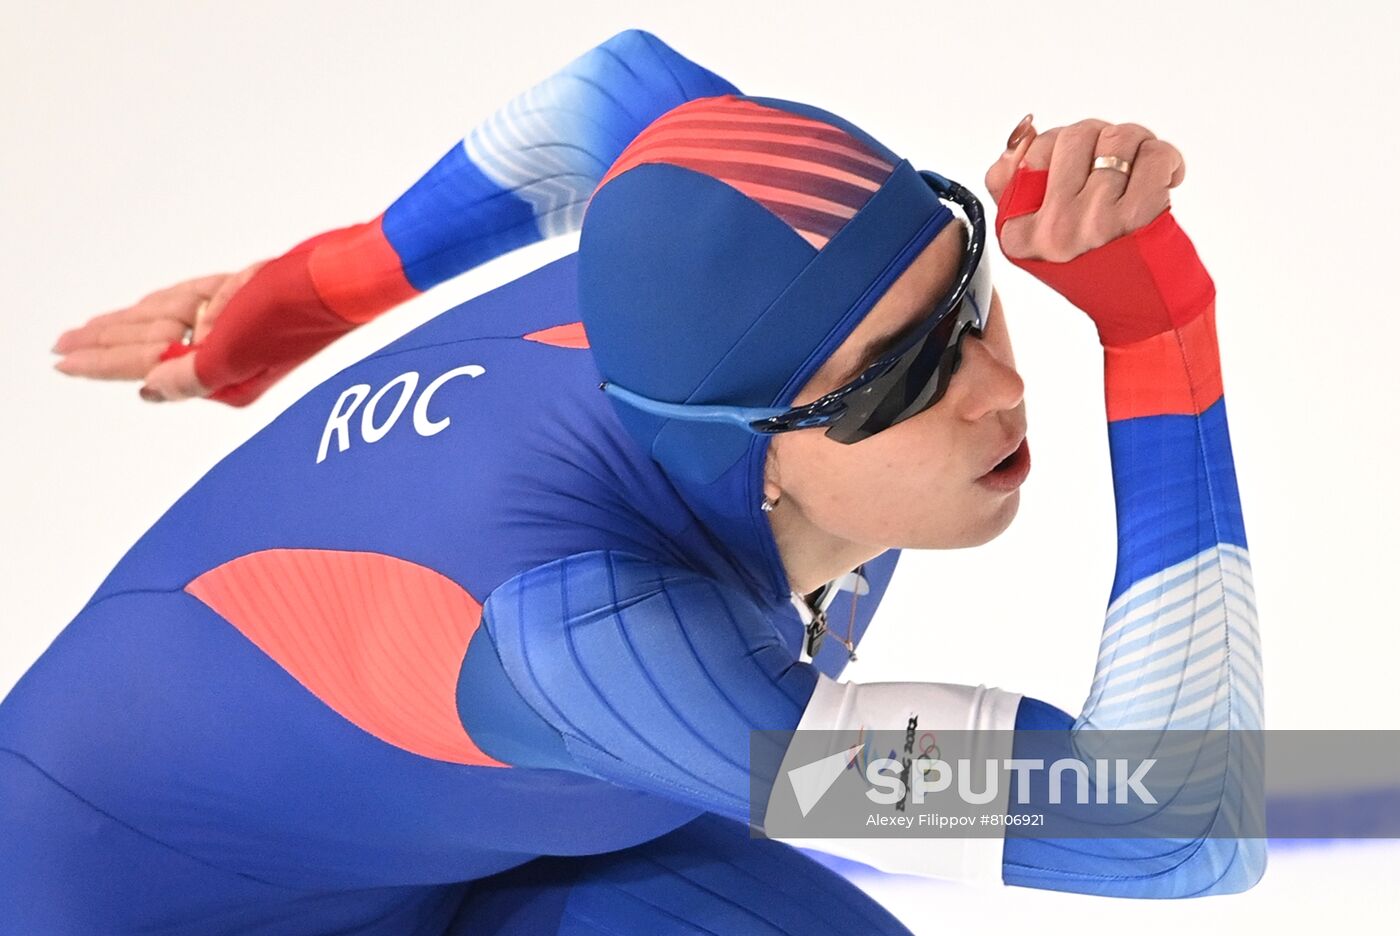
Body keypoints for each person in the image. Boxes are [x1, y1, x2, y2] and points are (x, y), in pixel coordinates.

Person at [7, 28, 1264, 934]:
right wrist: (1156, 338)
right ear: (747, 448)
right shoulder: (604, 642)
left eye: (970, 295)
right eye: (900, 379)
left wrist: (289, 304)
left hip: (448, 834)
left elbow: (609, 94)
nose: (997, 387)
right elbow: (1180, 830)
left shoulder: (701, 212)